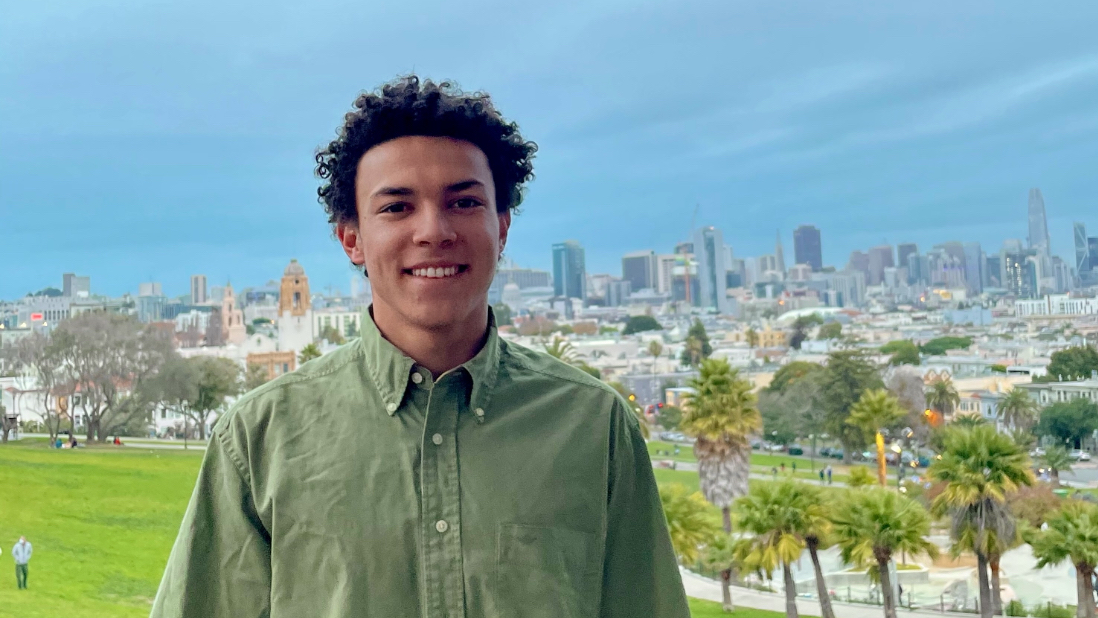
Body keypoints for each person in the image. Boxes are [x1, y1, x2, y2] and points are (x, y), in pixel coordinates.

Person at [151, 76, 689, 618]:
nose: (433, 230)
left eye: (463, 201)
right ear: (352, 238)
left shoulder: (594, 427)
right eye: (397, 208)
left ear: (501, 228)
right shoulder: (259, 439)